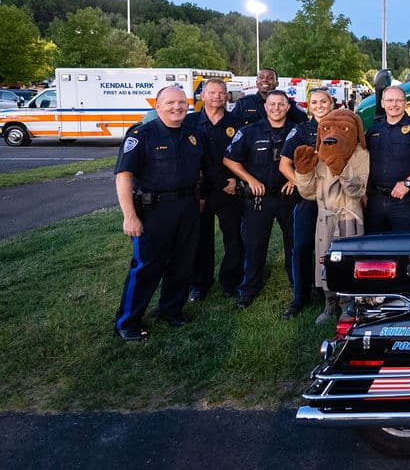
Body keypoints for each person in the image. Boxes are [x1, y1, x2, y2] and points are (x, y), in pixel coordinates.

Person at [113, 86, 203, 341]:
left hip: (187, 207)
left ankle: (171, 310)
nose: (177, 107)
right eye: (171, 103)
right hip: (153, 210)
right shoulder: (141, 135)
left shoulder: (192, 134)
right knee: (147, 267)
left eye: (182, 102)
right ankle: (127, 322)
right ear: (158, 106)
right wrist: (129, 216)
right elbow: (123, 177)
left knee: (182, 263)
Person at [292, 108, 370, 323]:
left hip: (349, 217)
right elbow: (308, 192)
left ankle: (348, 304)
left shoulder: (360, 154)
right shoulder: (321, 155)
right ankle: (330, 304)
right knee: (324, 259)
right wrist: (304, 171)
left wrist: (341, 168)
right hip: (325, 218)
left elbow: (357, 190)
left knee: (347, 261)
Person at [223, 90, 300, 308]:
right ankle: (248, 289)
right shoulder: (249, 131)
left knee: (294, 244)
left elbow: (309, 159)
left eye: (281, 105)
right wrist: (249, 180)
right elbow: (229, 160)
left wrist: (295, 179)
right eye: (272, 104)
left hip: (288, 197)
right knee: (254, 246)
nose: (276, 108)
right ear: (265, 107)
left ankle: (298, 285)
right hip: (259, 199)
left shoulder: (296, 131)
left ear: (287, 107)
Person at [183, 78, 244, 302]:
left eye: (221, 93)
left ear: (227, 96)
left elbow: (242, 156)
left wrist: (237, 181)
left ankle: (231, 281)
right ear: (202, 96)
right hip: (200, 192)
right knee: (200, 239)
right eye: (211, 92)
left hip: (229, 190)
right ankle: (199, 283)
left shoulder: (237, 123)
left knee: (234, 238)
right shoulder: (189, 123)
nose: (217, 96)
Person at [278, 87, 334, 319]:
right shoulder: (301, 130)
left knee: (334, 249)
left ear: (332, 103)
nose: (319, 105)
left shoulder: (343, 126)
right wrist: (302, 185)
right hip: (309, 200)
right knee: (301, 247)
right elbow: (284, 165)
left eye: (323, 101)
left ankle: (333, 295)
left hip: (335, 199)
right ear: (308, 106)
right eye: (314, 102)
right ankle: (299, 297)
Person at [364, 86, 410, 233]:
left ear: (405, 103)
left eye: (399, 100)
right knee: (376, 249)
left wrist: (407, 183)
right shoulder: (374, 129)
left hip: (405, 200)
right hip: (375, 200)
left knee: (406, 249)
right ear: (382, 103)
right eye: (390, 100)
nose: (394, 104)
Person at [231, 67, 308, 126]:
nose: (265, 80)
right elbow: (232, 126)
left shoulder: (289, 105)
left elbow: (304, 125)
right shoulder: (244, 104)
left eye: (270, 78)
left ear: (277, 83)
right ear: (257, 82)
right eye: (261, 77)